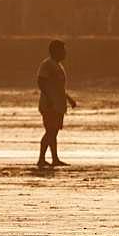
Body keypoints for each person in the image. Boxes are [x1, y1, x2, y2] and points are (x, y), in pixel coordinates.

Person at [37, 39, 77, 168]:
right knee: (50, 131)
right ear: (55, 51)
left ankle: (54, 158)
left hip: (58, 105)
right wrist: (49, 98)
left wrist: (69, 99)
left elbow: (58, 88)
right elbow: (41, 82)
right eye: (63, 50)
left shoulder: (58, 65)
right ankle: (41, 159)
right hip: (50, 105)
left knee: (53, 132)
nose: (65, 53)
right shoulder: (47, 64)